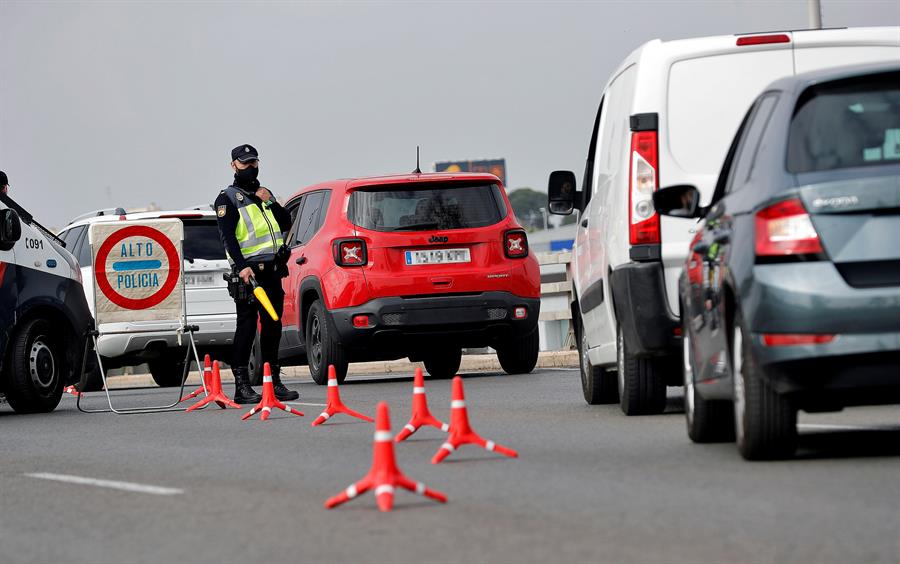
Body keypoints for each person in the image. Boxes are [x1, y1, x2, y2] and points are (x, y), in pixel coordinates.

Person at [214, 144, 299, 403]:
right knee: (247, 327)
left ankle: (273, 381)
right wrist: (242, 268)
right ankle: (241, 386)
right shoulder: (227, 199)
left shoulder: (264, 194)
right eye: (244, 163)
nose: (250, 167)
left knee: (273, 325)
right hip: (250, 274)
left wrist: (270, 201)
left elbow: (286, 222)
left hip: (272, 271)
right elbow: (229, 239)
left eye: (253, 162)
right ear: (233, 166)